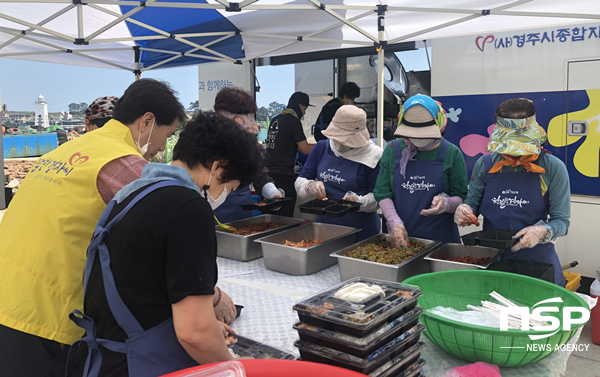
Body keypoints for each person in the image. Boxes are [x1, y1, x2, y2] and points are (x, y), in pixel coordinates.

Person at [0, 79, 226, 377]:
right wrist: (213, 299)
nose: (162, 148)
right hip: (46, 315)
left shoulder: (72, 148)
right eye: (167, 135)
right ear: (147, 121)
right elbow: (169, 239)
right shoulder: (122, 164)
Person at [68, 111, 263, 377]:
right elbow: (194, 333)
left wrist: (205, 322)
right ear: (218, 167)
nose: (225, 195)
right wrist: (235, 368)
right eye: (230, 186)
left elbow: (144, 283)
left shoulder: (131, 193)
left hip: (105, 358)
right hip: (141, 364)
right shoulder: (188, 207)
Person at [455, 98, 570, 286]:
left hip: (538, 261)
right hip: (491, 259)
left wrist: (542, 230)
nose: (515, 154)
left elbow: (562, 221)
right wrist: (464, 209)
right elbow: (472, 204)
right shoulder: (484, 165)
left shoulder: (553, 167)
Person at [374, 94, 468, 247]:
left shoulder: (452, 153)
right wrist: (394, 223)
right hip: (402, 241)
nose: (417, 139)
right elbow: (382, 192)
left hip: (442, 242)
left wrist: (446, 204)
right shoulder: (392, 150)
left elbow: (462, 197)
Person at [296, 105, 383, 241]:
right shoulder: (321, 148)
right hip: (323, 228)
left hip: (360, 232)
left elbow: (377, 198)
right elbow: (300, 180)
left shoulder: (374, 156)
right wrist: (310, 185)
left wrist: (358, 202)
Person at [212, 87, 283, 223]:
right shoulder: (204, 142)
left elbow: (260, 176)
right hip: (213, 215)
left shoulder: (248, 143)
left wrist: (273, 194)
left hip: (242, 212)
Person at [265, 91, 314, 217]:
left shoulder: (276, 119)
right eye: (304, 108)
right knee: (284, 218)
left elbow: (284, 144)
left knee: (269, 218)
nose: (304, 112)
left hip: (268, 178)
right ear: (299, 105)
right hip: (284, 177)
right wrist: (324, 145)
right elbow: (305, 149)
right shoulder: (293, 121)